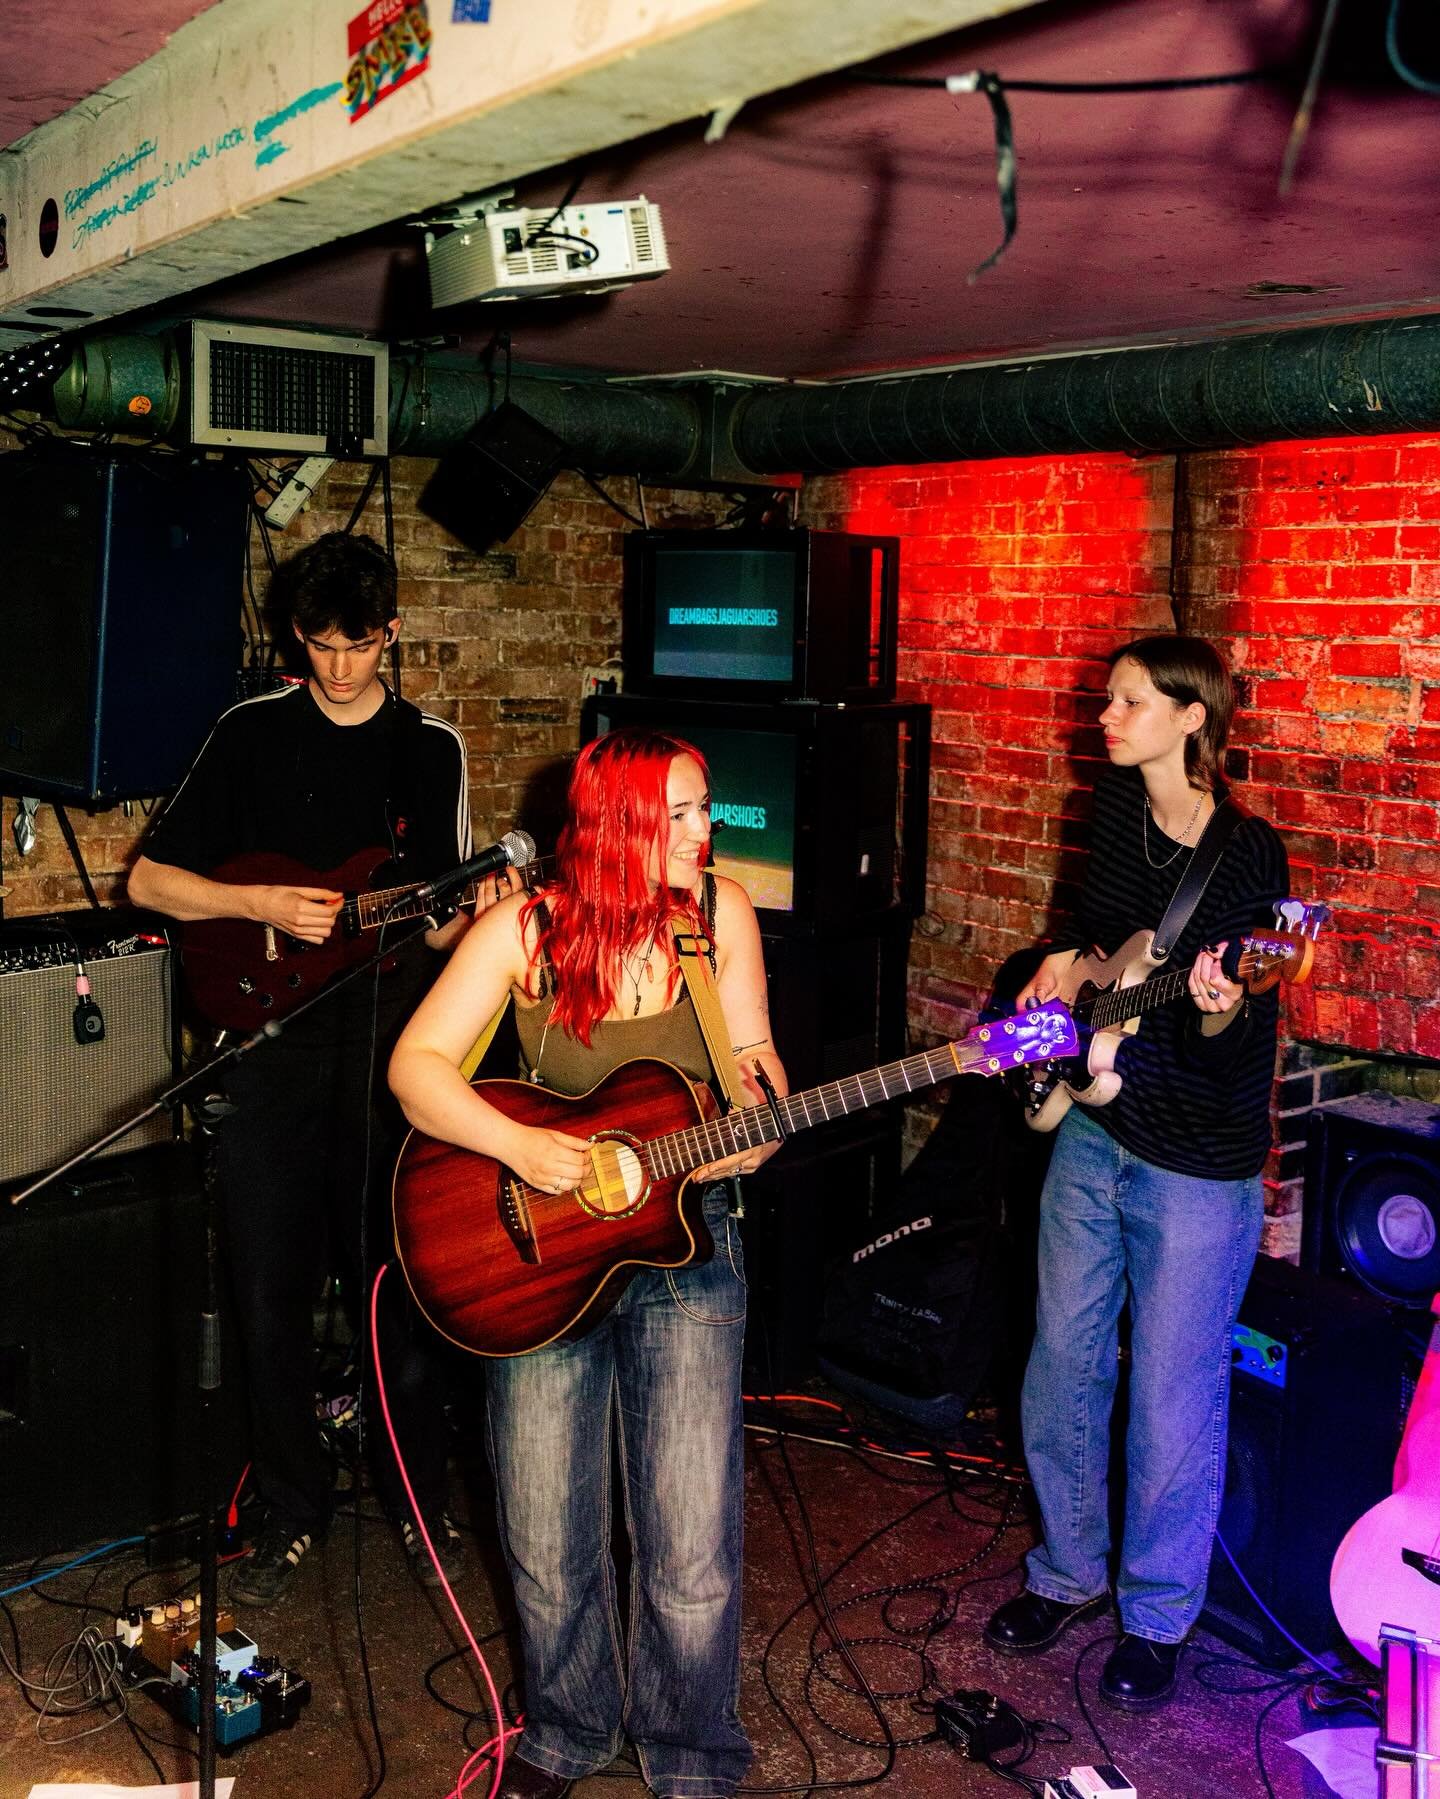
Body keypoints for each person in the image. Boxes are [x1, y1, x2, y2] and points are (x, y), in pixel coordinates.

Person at [388, 727, 786, 1799]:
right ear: (620, 823)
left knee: (690, 1536)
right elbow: (416, 1067)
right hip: (543, 1258)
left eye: (709, 808)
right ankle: (565, 1730)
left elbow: (752, 1061)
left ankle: (693, 1749)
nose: (711, 830)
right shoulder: (524, 927)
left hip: (688, 1248)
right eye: (688, 813)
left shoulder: (720, 919)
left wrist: (761, 1119)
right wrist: (522, 1146)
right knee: (545, 1527)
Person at [127, 531, 476, 1606]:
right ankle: (292, 1502)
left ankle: (420, 1494)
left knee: (399, 1286)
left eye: (359, 645)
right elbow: (146, 881)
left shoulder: (430, 749)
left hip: (387, 1051)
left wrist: (474, 921)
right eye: (319, 645)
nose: (338, 667)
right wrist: (259, 905)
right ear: (295, 637)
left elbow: (442, 926)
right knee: (268, 1289)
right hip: (271, 1046)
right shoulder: (248, 734)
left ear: (393, 634)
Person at [982, 635, 1289, 1710]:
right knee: (1062, 1362)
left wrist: (1224, 1003)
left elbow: (1235, 1039)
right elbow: (1086, 938)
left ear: (1190, 717)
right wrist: (1057, 970)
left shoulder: (1250, 856)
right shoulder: (1112, 813)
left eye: (1125, 701)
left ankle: (1156, 1615)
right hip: (1092, 1127)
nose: (1102, 716)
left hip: (1197, 1161)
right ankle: (1066, 1572)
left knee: (1171, 1391)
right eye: (1106, 698)